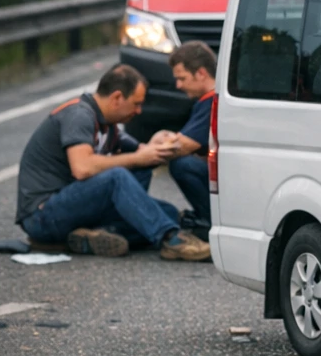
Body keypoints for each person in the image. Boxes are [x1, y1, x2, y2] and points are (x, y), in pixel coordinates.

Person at [15, 64, 211, 262]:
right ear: (117, 98)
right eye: (136, 103)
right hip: (42, 215)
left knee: (166, 212)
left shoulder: (109, 126)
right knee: (117, 177)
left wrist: (159, 143)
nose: (139, 111)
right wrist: (138, 158)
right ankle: (171, 241)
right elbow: (82, 168)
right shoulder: (79, 115)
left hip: (74, 207)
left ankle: (85, 236)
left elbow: (142, 153)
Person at [150, 41, 216, 230]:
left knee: (182, 165)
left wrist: (143, 153)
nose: (178, 85)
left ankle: (208, 219)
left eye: (182, 78)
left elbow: (181, 146)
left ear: (201, 73)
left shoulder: (210, 102)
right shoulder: (206, 101)